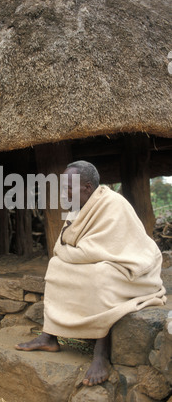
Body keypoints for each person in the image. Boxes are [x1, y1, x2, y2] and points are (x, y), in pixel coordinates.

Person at [15, 160, 166, 386]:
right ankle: (49, 336)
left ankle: (101, 352)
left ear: (87, 187)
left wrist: (71, 253)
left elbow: (94, 250)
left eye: (68, 186)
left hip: (134, 268)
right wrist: (71, 253)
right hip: (96, 261)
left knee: (100, 275)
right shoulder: (77, 207)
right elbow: (63, 246)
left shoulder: (114, 204)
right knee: (56, 266)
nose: (63, 192)